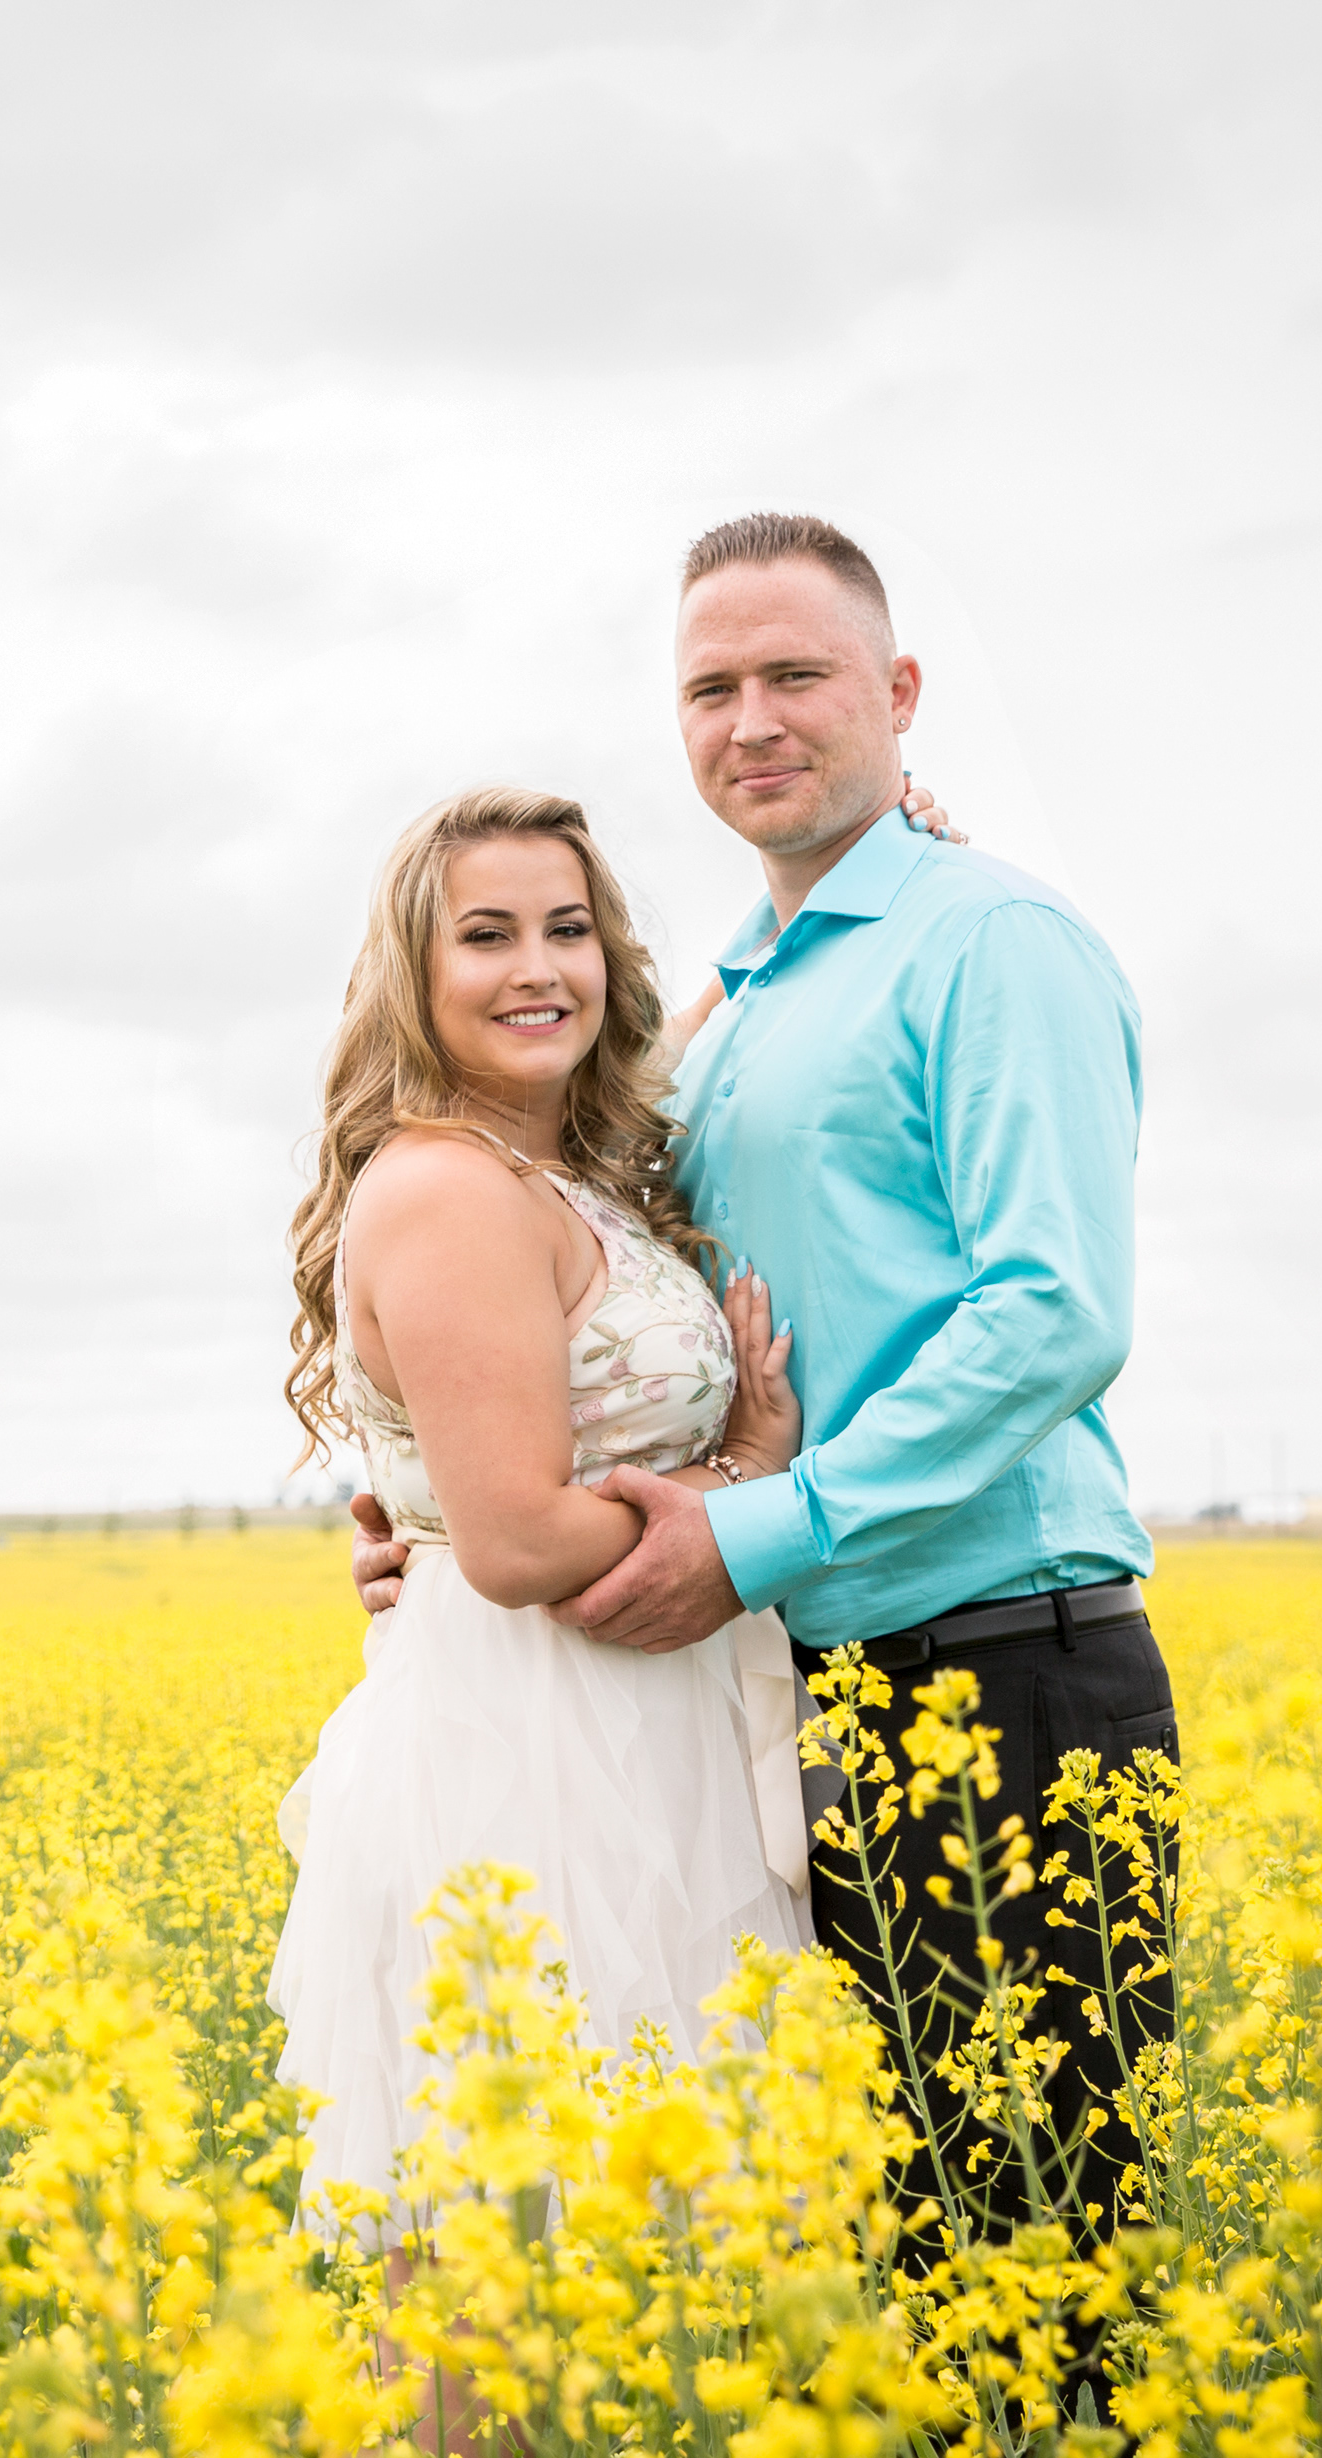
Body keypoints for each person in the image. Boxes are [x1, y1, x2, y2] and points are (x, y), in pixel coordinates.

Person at [348, 513, 1179, 2287]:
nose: (753, 720)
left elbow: (1054, 1315)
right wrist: (451, 1520)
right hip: (793, 1695)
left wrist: (753, 1526)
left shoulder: (993, 942)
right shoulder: (728, 1009)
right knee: (890, 2287)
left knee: (1026, 2278)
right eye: (710, 687)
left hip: (1002, 1668)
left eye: (796, 673)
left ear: (898, 693)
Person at [266, 784, 819, 2323]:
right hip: (531, 1750)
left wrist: (831, 886)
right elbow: (512, 1539)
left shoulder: (557, 1168)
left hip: (633, 1727)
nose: (539, 970)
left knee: (618, 2277)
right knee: (489, 2288)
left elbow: (689, 1024)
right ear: (413, 976)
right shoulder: (448, 1185)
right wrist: (748, 1479)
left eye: (570, 931)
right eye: (488, 936)